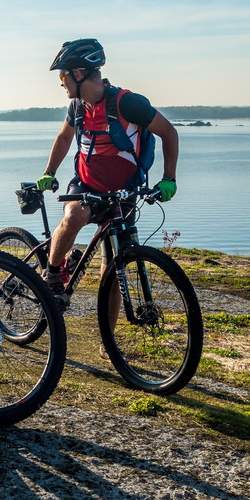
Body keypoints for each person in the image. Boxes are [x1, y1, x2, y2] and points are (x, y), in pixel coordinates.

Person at [36, 38, 179, 305]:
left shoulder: (128, 104)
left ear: (79, 74)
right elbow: (65, 138)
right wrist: (49, 172)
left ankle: (107, 343)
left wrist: (169, 178)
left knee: (114, 273)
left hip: (123, 192)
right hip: (86, 184)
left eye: (63, 75)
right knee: (75, 215)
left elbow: (168, 132)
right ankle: (52, 274)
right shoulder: (77, 106)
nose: (61, 82)